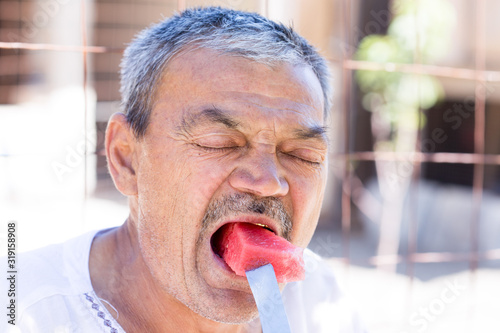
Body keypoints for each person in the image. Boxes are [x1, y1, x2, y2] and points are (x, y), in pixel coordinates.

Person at [4, 7, 365, 333]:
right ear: (125, 158)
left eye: (301, 154)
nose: (268, 183)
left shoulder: (319, 302)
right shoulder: (23, 311)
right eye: (219, 142)